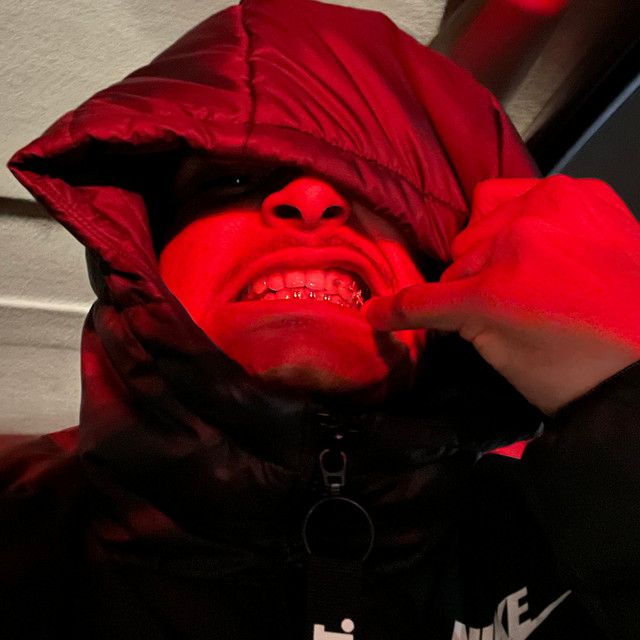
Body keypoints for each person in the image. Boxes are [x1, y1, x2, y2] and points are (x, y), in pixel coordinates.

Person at [3, 0, 640, 638]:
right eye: (231, 180)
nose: (310, 198)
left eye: (381, 190)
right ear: (143, 258)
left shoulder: (576, 524)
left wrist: (626, 397)